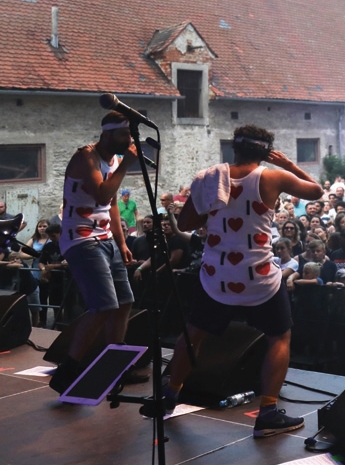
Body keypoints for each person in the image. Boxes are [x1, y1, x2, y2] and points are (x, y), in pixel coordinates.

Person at [151, 124, 324, 438]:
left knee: (193, 335)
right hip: (258, 276)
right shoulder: (272, 177)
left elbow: (187, 222)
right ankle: (268, 412)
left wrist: (213, 208)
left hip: (217, 275)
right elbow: (316, 191)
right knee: (279, 336)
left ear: (234, 148)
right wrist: (287, 164)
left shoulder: (207, 178)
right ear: (265, 152)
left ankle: (170, 394)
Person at [49, 112, 141, 394]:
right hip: (81, 239)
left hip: (105, 239)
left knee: (125, 301)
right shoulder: (86, 157)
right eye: (124, 136)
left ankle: (114, 366)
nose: (129, 141)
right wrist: (127, 164)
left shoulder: (113, 159)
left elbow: (111, 203)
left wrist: (122, 241)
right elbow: (102, 194)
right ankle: (69, 370)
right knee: (103, 307)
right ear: (108, 134)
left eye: (130, 136)